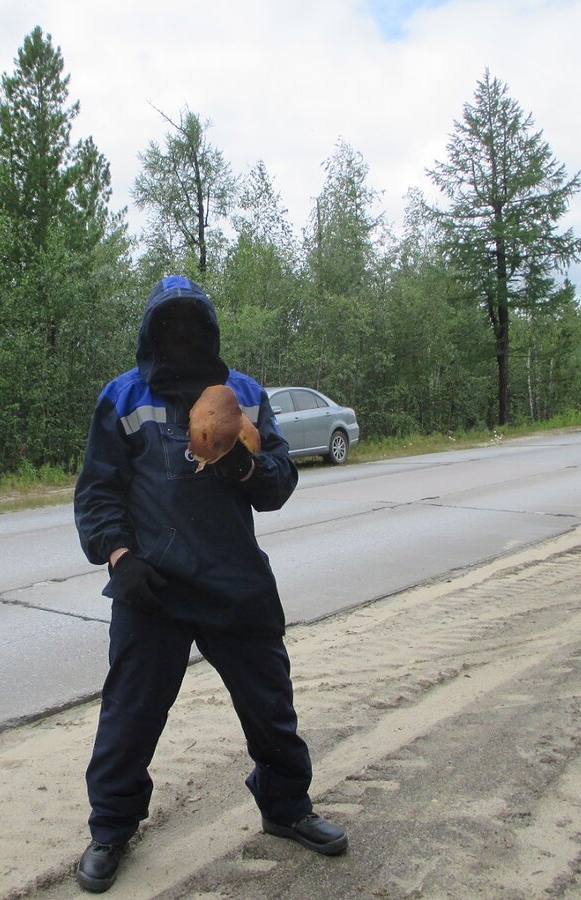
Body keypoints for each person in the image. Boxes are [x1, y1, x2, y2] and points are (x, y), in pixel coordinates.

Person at [72, 274, 347, 893]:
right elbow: (97, 493)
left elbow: (278, 482)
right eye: (169, 324)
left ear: (208, 328)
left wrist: (245, 462)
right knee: (129, 716)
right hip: (153, 589)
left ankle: (287, 808)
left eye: (191, 323)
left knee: (270, 706)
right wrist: (120, 557)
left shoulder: (243, 396)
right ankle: (110, 828)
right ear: (151, 332)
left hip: (233, 582)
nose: (181, 334)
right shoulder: (123, 397)